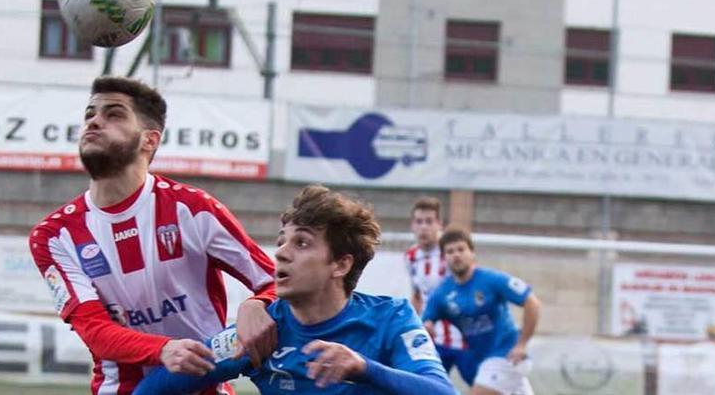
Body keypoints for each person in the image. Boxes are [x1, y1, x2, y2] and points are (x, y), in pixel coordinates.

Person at [29, 76, 278, 395]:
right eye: (90, 113)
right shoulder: (54, 236)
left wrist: (256, 304)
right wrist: (163, 349)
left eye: (114, 114)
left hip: (206, 388)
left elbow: (275, 283)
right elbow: (94, 329)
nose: (94, 121)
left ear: (149, 140)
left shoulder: (193, 209)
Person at [133, 185, 458, 395]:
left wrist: (364, 369)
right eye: (281, 242)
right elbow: (156, 387)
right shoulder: (259, 332)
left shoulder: (391, 319)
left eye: (301, 242)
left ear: (340, 265)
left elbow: (442, 392)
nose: (282, 253)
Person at [423, 227, 541, 395]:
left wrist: (522, 344)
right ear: (444, 258)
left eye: (461, 249)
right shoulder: (442, 293)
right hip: (484, 361)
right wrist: (427, 327)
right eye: (450, 251)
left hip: (506, 355)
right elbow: (426, 321)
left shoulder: (491, 280)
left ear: (472, 253)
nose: (456, 255)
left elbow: (532, 302)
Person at [404, 197, 471, 382]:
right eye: (419, 222)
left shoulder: (453, 251)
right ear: (412, 225)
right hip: (433, 341)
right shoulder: (411, 256)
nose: (424, 227)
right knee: (425, 387)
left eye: (429, 221)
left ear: (439, 224)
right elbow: (417, 295)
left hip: (464, 340)